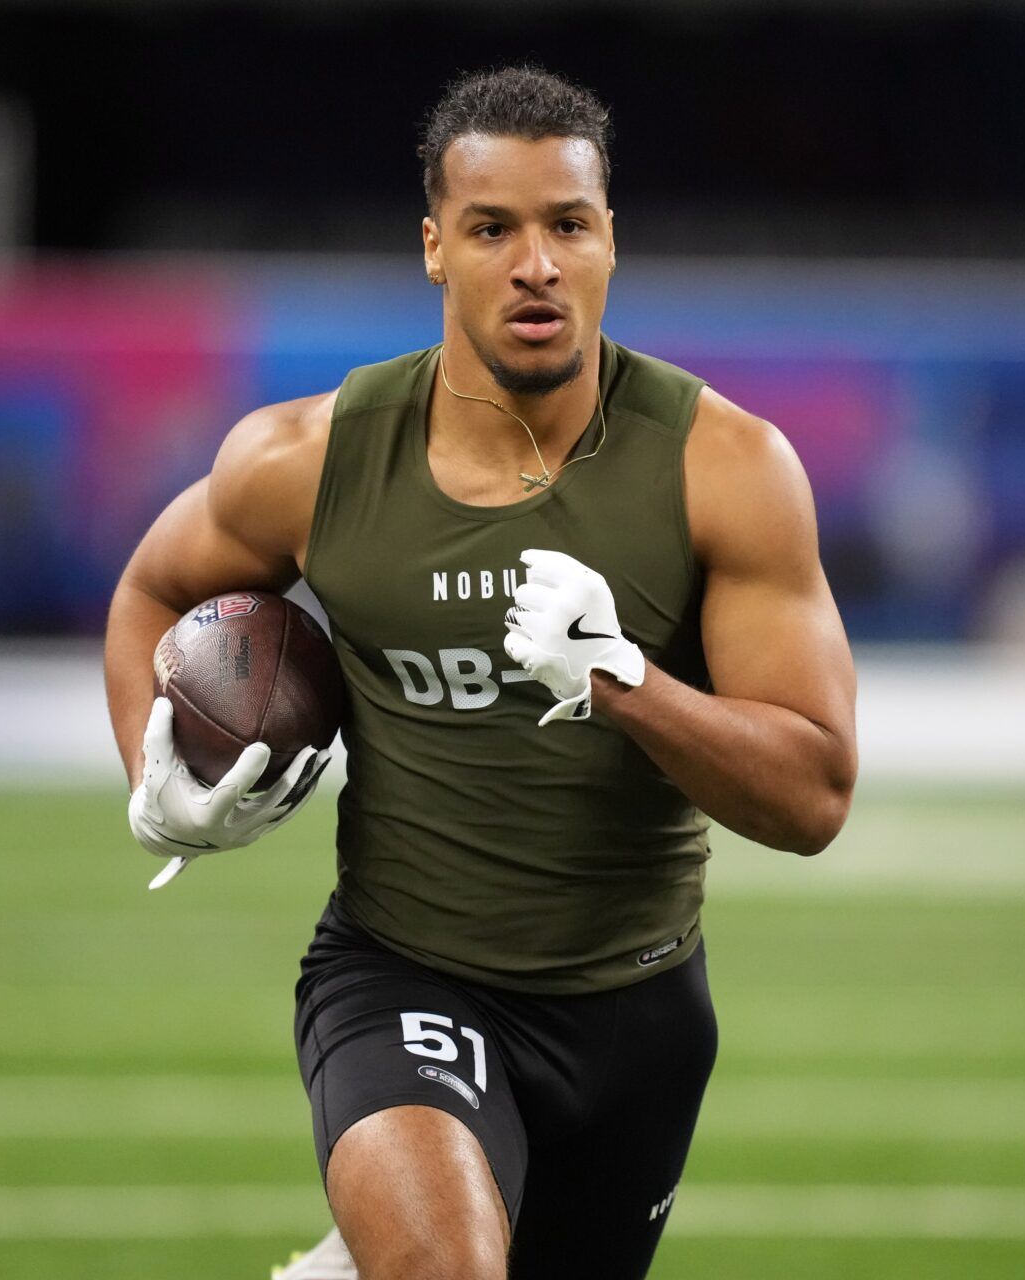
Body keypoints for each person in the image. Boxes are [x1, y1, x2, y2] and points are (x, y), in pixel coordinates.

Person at [104, 65, 857, 1280]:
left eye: (568, 224)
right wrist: (150, 771)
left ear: (612, 240)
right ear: (434, 249)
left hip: (640, 1007)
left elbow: (816, 795)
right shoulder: (307, 457)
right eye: (492, 228)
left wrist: (624, 680)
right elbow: (152, 587)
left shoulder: (728, 469)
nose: (536, 263)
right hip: (403, 970)